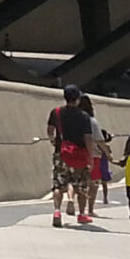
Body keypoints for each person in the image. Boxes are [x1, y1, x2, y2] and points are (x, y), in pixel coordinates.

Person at [46, 84, 98, 227]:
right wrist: (91, 157)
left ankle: (57, 211)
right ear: (78, 99)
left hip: (61, 153)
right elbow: (88, 138)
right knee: (81, 185)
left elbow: (50, 130)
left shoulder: (56, 112)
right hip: (79, 155)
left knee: (58, 184)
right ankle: (81, 214)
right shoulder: (84, 116)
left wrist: (53, 140)